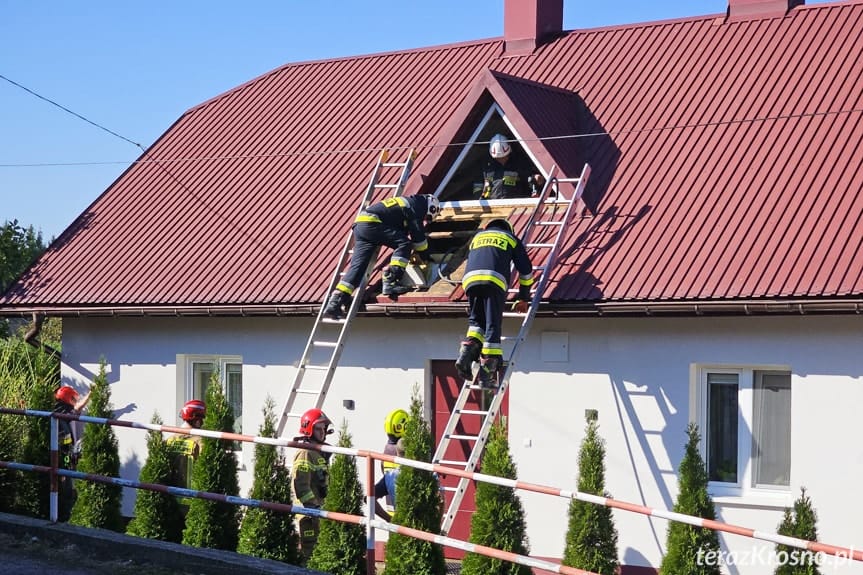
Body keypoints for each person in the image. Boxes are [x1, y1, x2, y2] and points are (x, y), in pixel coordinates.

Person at [323, 194, 441, 318]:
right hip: (373, 223)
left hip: (361, 226)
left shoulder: (408, 203)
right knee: (404, 244)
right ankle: (391, 280)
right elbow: (418, 237)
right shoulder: (417, 206)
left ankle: (335, 302)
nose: (425, 219)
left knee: (358, 266)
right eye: (427, 217)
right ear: (432, 207)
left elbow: (402, 228)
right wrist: (426, 254)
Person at [455, 218, 534, 388]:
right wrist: (523, 297)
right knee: (493, 325)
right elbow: (526, 271)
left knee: (477, 322)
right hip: (494, 280)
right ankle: (487, 375)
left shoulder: (477, 237)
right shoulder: (510, 238)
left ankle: (465, 355)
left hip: (470, 281)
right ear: (509, 229)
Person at [292, 408, 333, 563]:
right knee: (310, 551)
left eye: (324, 428)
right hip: (308, 514)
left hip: (318, 510)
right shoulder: (305, 453)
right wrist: (313, 508)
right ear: (308, 428)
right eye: (318, 428)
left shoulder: (317, 452)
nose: (322, 432)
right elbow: (301, 486)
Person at [53, 385, 91, 521]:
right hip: (63, 454)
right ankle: (65, 511)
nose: (75, 400)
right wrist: (91, 394)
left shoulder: (56, 408)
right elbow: (77, 409)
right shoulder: (63, 411)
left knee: (62, 477)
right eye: (73, 398)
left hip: (62, 452)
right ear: (68, 398)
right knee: (66, 480)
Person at [166, 399, 206, 512]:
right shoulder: (200, 441)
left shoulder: (170, 440)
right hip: (192, 499)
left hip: (171, 496)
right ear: (197, 420)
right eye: (202, 419)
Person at [478, 134, 544, 200]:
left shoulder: (519, 162)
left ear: (509, 151)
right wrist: (478, 199)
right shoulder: (487, 166)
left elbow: (530, 178)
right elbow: (479, 184)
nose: (502, 160)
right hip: (494, 204)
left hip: (516, 203)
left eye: (504, 157)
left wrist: (536, 179)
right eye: (498, 158)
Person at [373, 408, 408, 521]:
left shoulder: (387, 449)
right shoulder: (404, 450)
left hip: (393, 514)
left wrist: (389, 519)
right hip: (407, 515)